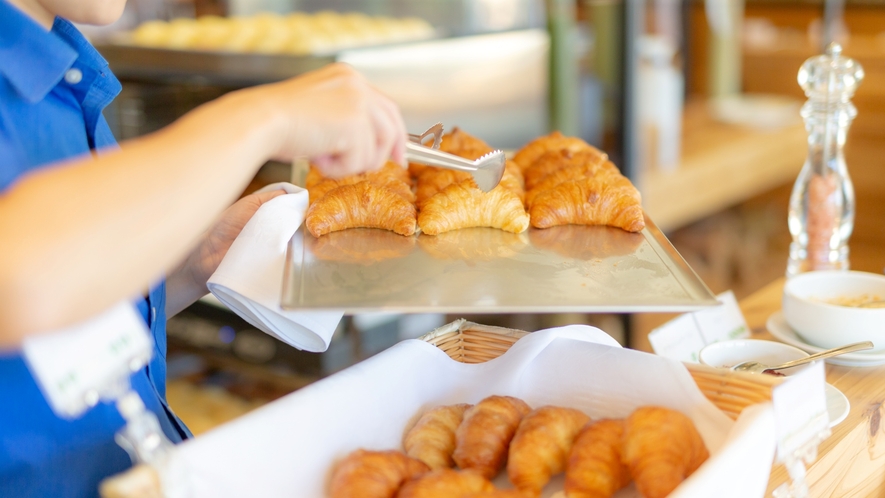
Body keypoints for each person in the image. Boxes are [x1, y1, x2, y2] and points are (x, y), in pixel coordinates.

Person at [0, 0, 407, 495]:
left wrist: (197, 260)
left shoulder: (65, 77)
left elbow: (66, 299)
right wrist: (262, 117)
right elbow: (18, 280)